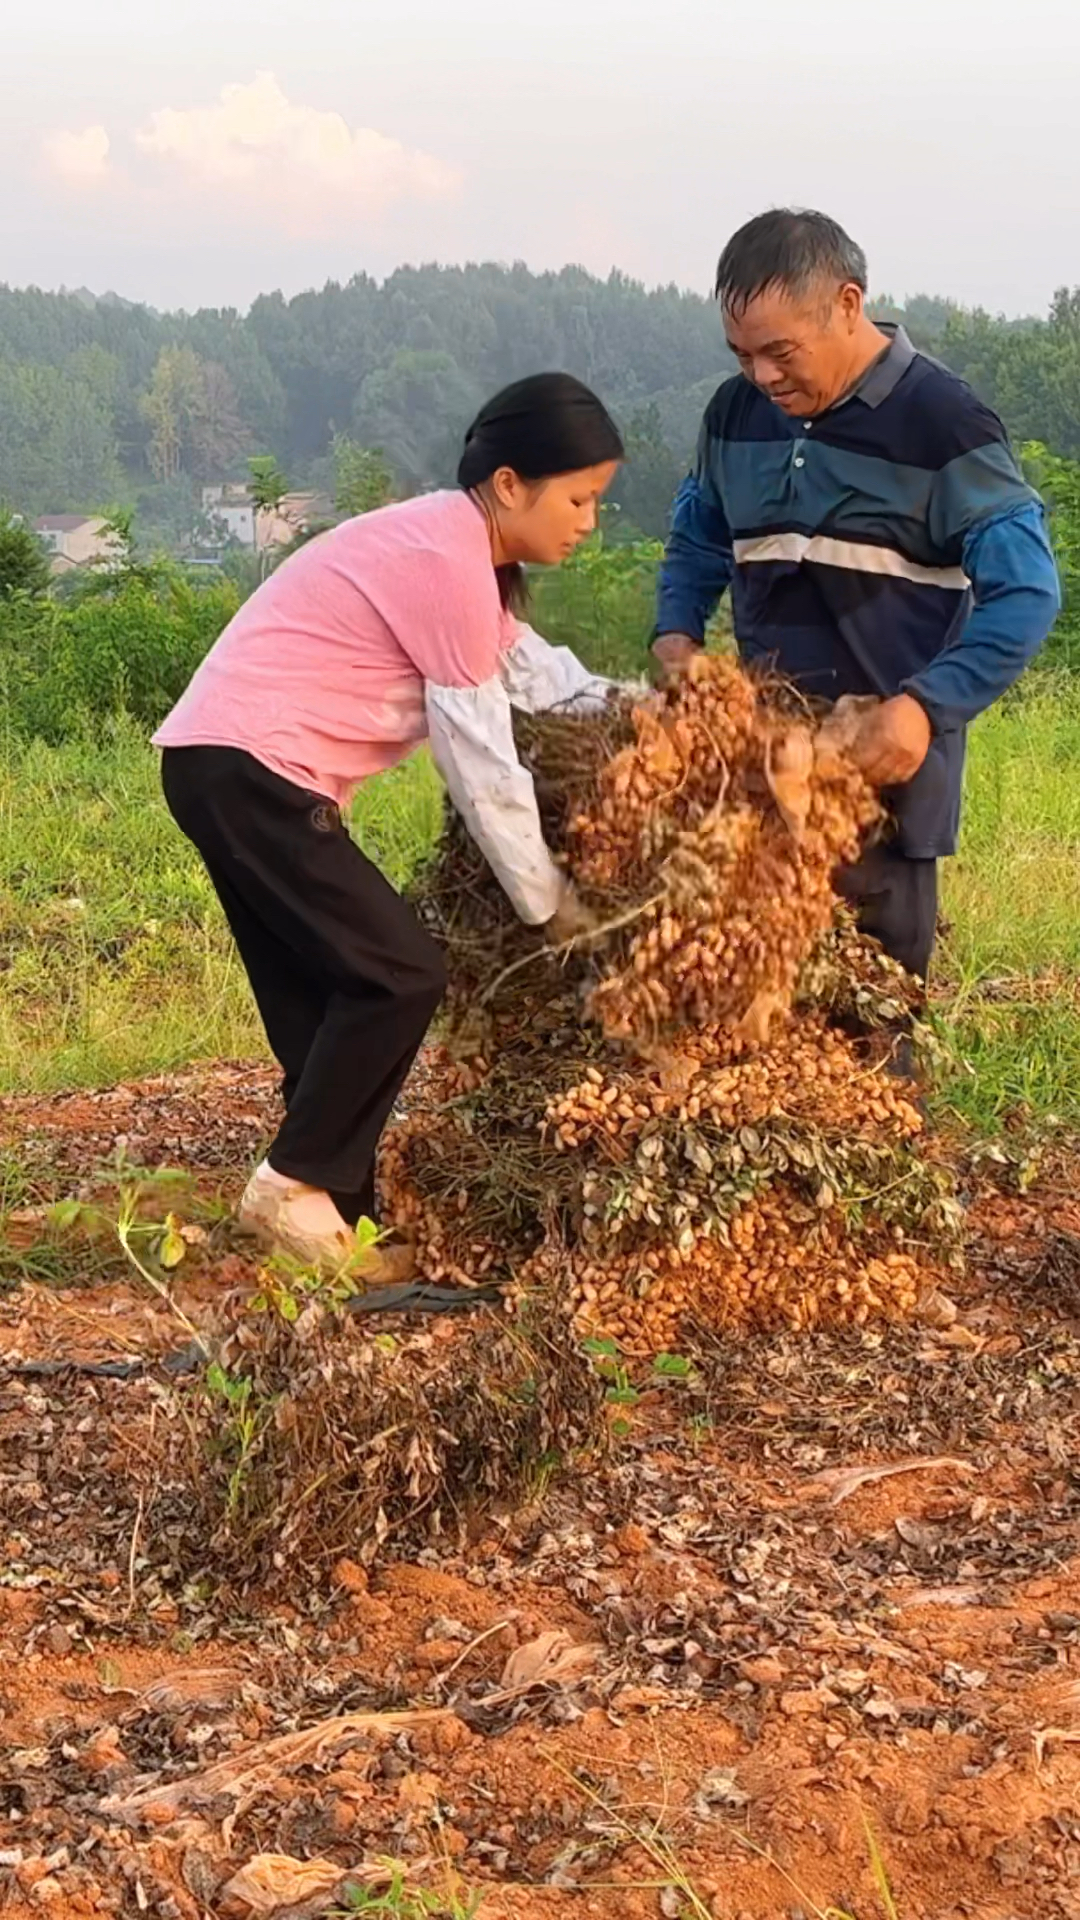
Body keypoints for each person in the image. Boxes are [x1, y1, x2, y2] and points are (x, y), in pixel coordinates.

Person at [154, 372, 624, 1272]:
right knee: (401, 974)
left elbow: (547, 683)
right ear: (511, 484)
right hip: (251, 771)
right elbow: (481, 759)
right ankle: (291, 1184)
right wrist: (548, 903)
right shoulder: (446, 560)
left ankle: (334, 1217)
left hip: (219, 766)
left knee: (325, 994)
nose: (589, 520)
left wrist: (668, 715)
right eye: (580, 498)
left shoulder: (457, 558)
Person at [654, 208, 1061, 994]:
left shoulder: (944, 423)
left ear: (848, 304)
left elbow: (1027, 591)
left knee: (870, 1033)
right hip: (760, 782)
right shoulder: (734, 416)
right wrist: (676, 635)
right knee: (752, 1018)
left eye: (781, 352)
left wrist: (922, 707)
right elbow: (698, 536)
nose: (763, 378)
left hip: (882, 794)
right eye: (741, 355)